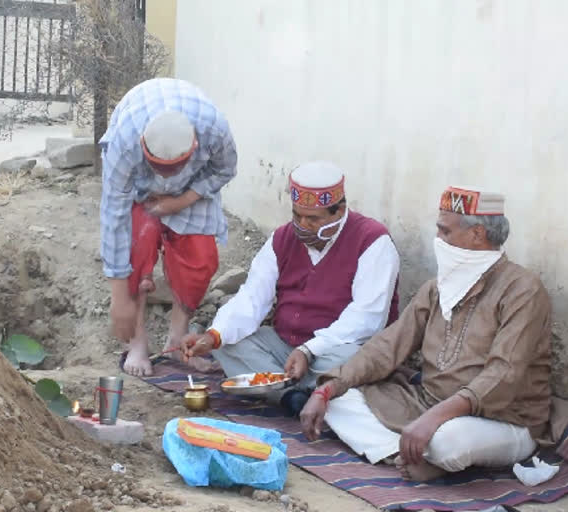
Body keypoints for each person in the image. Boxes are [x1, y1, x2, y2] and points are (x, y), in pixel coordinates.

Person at [299, 185, 552, 481]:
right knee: (338, 399)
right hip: (426, 403)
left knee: (448, 441)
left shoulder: (522, 290)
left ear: (477, 235)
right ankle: (406, 454)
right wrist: (326, 388)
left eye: (445, 232)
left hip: (502, 419)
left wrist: (435, 419)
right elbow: (388, 346)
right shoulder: (437, 287)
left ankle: (426, 453)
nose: (438, 240)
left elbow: (504, 374)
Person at [180, 161, 400, 416]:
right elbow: (253, 296)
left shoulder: (373, 241)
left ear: (339, 211)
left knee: (352, 361)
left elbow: (367, 318)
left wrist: (309, 350)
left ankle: (288, 390)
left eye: (313, 219)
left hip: (336, 349)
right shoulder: (283, 238)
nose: (302, 225)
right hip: (286, 344)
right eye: (297, 215)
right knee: (229, 344)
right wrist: (213, 336)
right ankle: (296, 396)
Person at [100, 78, 237, 377]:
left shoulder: (214, 130)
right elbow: (114, 218)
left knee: (200, 259)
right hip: (139, 188)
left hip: (193, 188)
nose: (163, 177)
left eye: (172, 168)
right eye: (157, 167)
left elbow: (226, 168)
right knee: (137, 243)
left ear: (195, 147)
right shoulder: (124, 144)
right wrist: (119, 298)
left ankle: (177, 340)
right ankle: (138, 343)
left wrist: (182, 200)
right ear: (142, 146)